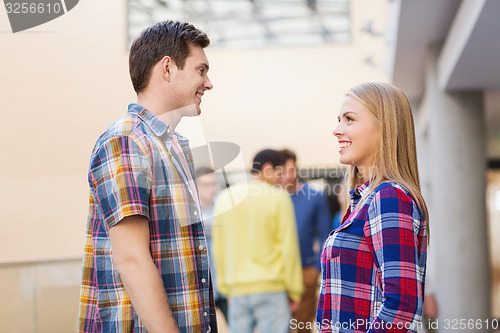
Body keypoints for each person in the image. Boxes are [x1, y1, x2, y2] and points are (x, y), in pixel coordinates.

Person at [78, 21, 217, 333]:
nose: (208, 83)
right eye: (201, 70)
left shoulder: (174, 148)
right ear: (167, 69)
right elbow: (131, 258)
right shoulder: (127, 140)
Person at [316, 82, 429, 332]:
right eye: (339, 120)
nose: (337, 130)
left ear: (384, 127)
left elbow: (402, 308)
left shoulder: (389, 197)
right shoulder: (363, 200)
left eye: (349, 119)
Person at [213, 149, 304, 333]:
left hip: (236, 290)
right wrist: (294, 290)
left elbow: (219, 248)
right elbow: (288, 248)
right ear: (268, 169)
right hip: (272, 288)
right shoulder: (279, 198)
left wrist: (225, 287)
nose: (282, 179)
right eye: (280, 172)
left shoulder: (225, 198)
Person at [278, 149, 331, 333]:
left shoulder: (315, 197)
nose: (287, 175)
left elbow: (325, 234)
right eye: (282, 171)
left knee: (303, 326)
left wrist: (316, 268)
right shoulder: (272, 198)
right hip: (278, 273)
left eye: (291, 169)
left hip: (305, 271)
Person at [196, 166, 229, 323]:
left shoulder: (225, 208)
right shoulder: (190, 212)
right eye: (206, 184)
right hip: (201, 287)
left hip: (225, 284)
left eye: (214, 184)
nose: (211, 188)